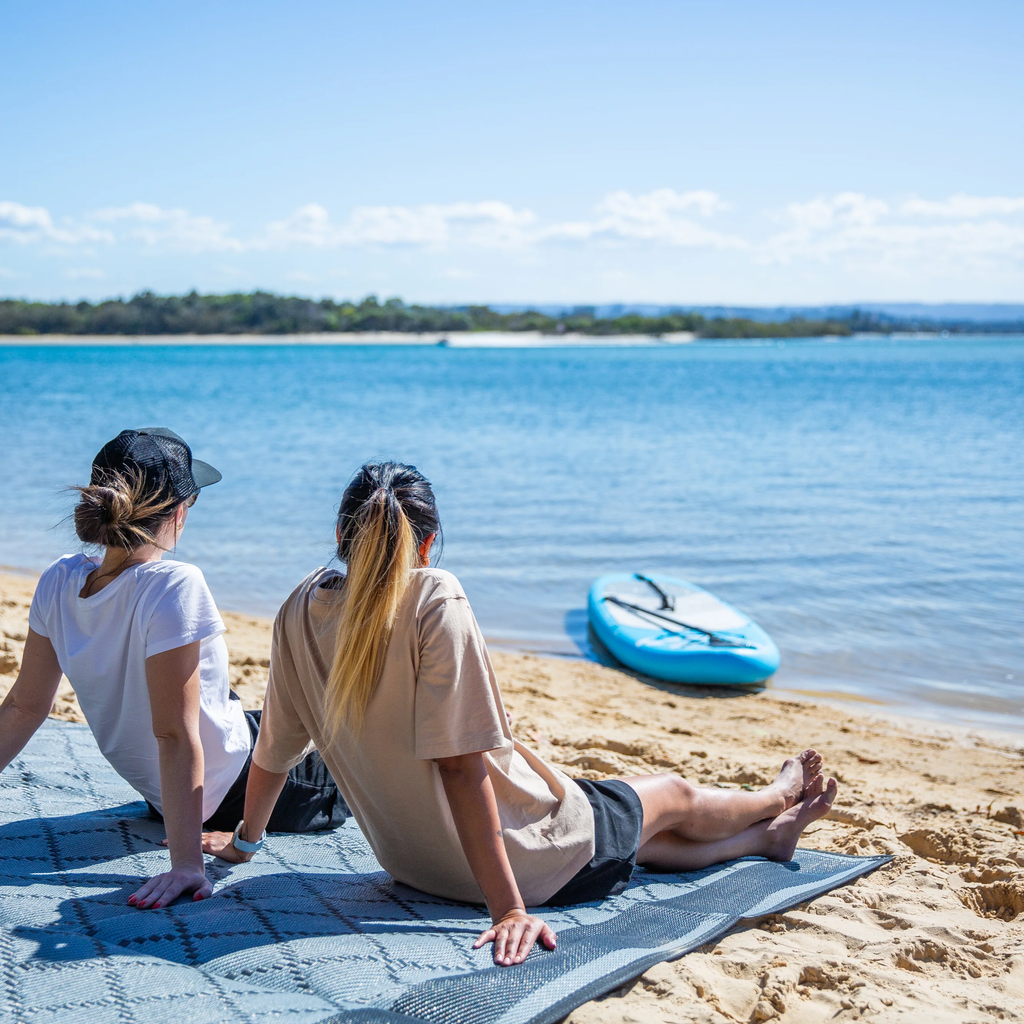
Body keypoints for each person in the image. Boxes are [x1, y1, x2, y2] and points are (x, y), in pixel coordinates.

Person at [203, 461, 837, 966]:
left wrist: (245, 844)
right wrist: (507, 908)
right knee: (667, 795)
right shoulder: (433, 597)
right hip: (513, 865)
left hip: (413, 865)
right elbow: (459, 766)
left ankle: (764, 839)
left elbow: (275, 750)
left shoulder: (296, 609)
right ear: (427, 543)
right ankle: (772, 796)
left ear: (342, 536)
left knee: (638, 841)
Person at [0, 428, 347, 910]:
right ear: (179, 513)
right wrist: (187, 864)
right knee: (346, 755)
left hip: (180, 784)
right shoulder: (173, 585)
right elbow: (175, 736)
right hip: (236, 786)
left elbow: (23, 705)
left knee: (259, 717)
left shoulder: (60, 579)